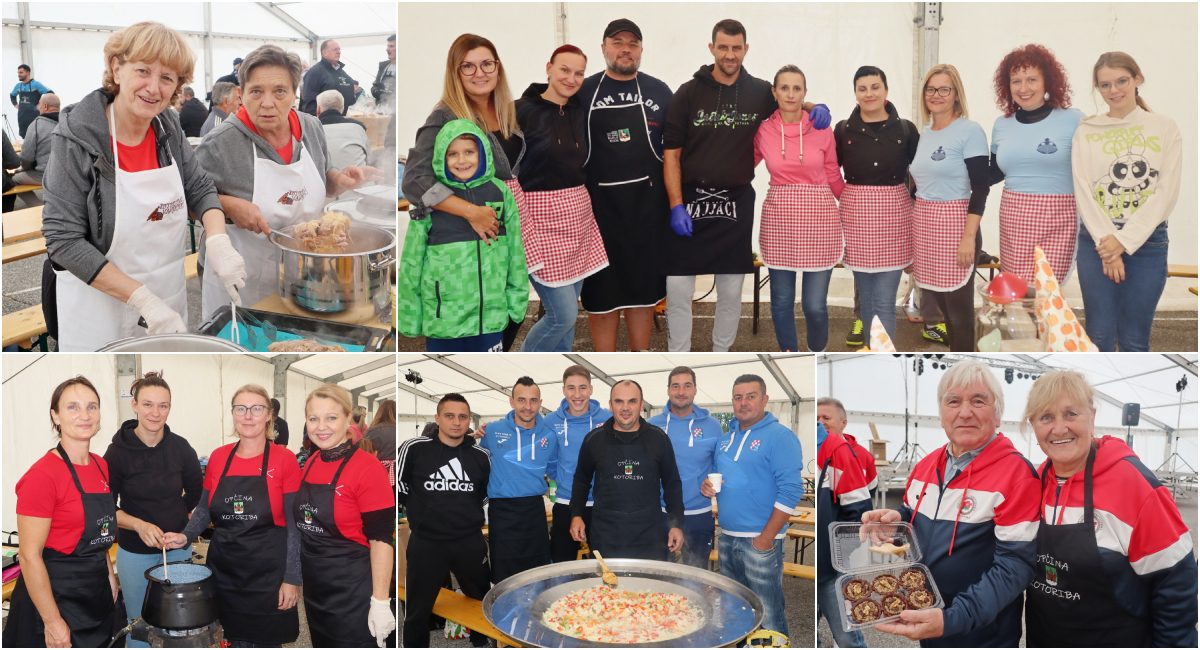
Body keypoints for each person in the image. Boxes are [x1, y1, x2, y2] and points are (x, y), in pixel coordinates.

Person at [41, 22, 246, 350]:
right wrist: (142, 298)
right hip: (99, 312)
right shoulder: (78, 137)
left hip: (167, 303)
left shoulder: (167, 125)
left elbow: (198, 186)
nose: (153, 88)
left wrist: (219, 237)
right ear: (116, 68)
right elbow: (63, 240)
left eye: (167, 78)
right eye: (143, 71)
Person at [663, 21, 831, 353]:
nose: (729, 54)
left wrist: (815, 107)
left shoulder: (759, 91)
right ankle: (678, 352)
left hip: (735, 201)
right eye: (723, 47)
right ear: (711, 48)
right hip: (691, 200)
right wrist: (675, 205)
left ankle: (720, 353)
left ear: (745, 49)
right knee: (678, 288)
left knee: (730, 291)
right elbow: (672, 156)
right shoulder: (687, 93)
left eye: (736, 48)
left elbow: (789, 99)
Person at [195, 44, 381, 320]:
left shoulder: (311, 128)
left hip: (305, 275)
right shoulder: (220, 144)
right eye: (256, 91)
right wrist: (229, 205)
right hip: (242, 277)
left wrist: (339, 179)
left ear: (296, 93)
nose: (267, 103)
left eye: (279, 91)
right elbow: (192, 197)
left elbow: (324, 176)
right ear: (241, 94)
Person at [866, 360, 1040, 647]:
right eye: (954, 401)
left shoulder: (1017, 474)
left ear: (997, 416)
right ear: (942, 414)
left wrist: (952, 618)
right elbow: (914, 518)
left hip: (982, 633)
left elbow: (1015, 566)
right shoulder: (925, 466)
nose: (965, 412)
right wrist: (894, 520)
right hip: (928, 617)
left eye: (979, 401)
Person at [1019, 370, 1196, 647]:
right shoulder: (1034, 482)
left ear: (1092, 416)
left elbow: (1175, 583)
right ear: (1033, 425)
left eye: (1071, 414)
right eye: (1046, 417)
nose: (1059, 428)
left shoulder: (1134, 483)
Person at [401, 33, 528, 351]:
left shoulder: (503, 110)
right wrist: (472, 212)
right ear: (454, 73)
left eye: (487, 64)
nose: (479, 72)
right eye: (467, 67)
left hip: (503, 237)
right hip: (472, 239)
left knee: (501, 332)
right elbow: (414, 180)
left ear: (498, 68)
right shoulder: (445, 116)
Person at [164, 384, 301, 647]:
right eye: (241, 409)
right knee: (227, 639)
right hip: (224, 572)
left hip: (268, 577)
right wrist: (186, 535)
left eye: (256, 408)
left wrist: (292, 578)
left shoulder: (284, 460)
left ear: (269, 415)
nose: (248, 416)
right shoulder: (218, 457)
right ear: (233, 414)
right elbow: (204, 510)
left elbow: (295, 527)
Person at [1071, 52, 1181, 352]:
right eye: (1104, 85)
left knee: (1135, 340)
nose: (1114, 90)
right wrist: (1109, 246)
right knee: (1099, 339)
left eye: (1121, 81)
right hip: (1098, 243)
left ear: (1137, 79)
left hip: (1148, 244)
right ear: (1097, 88)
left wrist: (1124, 241)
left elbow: (1166, 191)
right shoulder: (1086, 129)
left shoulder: (1164, 126)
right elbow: (1083, 189)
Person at [577, 19, 671, 351]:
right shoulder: (582, 91)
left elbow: (678, 151)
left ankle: (640, 355)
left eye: (632, 43)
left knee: (641, 295)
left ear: (641, 50)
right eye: (617, 42)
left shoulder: (660, 91)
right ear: (603, 48)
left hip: (647, 215)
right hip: (598, 217)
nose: (625, 48)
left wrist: (677, 206)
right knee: (602, 299)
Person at [3, 377, 117, 648]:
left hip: (94, 595)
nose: (84, 415)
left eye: (92, 407)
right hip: (54, 600)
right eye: (72, 408)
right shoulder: (43, 476)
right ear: (55, 416)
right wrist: (53, 623)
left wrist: (110, 576)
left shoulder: (101, 466)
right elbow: (29, 556)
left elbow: (99, 532)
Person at [514, 44, 609, 352]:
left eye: (579, 73)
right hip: (539, 221)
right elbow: (506, 168)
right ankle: (527, 365)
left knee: (567, 323)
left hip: (578, 219)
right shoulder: (519, 111)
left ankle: (557, 369)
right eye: (564, 70)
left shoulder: (580, 109)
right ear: (549, 68)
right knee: (562, 315)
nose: (571, 78)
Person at [103, 371, 203, 649]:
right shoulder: (116, 453)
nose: (155, 412)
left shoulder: (182, 448)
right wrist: (139, 525)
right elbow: (107, 509)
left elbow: (196, 492)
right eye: (147, 404)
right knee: (140, 625)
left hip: (176, 550)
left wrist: (178, 517)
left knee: (179, 625)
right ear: (134, 405)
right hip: (134, 553)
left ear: (170, 407)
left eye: (163, 405)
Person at [700, 374, 804, 639]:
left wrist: (766, 538)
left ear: (765, 400)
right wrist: (707, 487)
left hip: (760, 542)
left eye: (751, 396)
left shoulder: (780, 436)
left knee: (768, 613)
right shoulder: (725, 440)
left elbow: (792, 490)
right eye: (738, 397)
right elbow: (716, 477)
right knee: (735, 610)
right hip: (728, 538)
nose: (743, 403)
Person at [292, 384, 396, 647]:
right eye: (313, 418)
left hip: (355, 590)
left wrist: (380, 602)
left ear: (349, 419)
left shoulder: (368, 467)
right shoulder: (312, 461)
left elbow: (382, 539)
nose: (321, 426)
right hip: (316, 589)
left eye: (331, 417)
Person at [753, 64, 843, 352]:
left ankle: (817, 354)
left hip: (820, 220)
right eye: (784, 87)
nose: (790, 94)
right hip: (780, 220)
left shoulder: (822, 127)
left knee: (814, 306)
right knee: (780, 302)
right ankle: (789, 354)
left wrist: (852, 209)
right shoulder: (763, 130)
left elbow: (832, 172)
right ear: (774, 92)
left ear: (805, 93)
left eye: (797, 88)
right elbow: (741, 168)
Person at [834, 66, 920, 348]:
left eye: (875, 87)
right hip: (856, 219)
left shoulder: (906, 129)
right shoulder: (843, 129)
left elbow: (920, 177)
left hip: (894, 219)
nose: (869, 93)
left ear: (885, 90)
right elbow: (828, 170)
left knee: (884, 300)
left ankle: (883, 357)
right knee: (867, 300)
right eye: (862, 88)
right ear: (855, 93)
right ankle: (870, 353)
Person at [398, 394, 492, 649]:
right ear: (437, 418)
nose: (456, 422)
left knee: (482, 600)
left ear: (469, 420)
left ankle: (481, 641)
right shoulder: (414, 448)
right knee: (418, 610)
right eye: (449, 416)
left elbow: (483, 493)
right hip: (426, 544)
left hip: (469, 542)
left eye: (462, 417)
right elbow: (400, 487)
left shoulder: (481, 455)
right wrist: (426, 511)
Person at [987, 45, 1085, 286]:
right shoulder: (1002, 124)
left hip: (1059, 219)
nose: (1024, 88)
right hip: (1014, 218)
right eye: (1016, 81)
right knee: (1018, 294)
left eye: (1032, 79)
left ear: (1047, 82)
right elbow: (992, 173)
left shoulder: (1074, 120)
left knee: (1048, 292)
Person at [908, 64, 991, 352]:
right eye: (931, 89)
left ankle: (965, 363)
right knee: (944, 309)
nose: (936, 95)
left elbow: (981, 187)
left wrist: (969, 237)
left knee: (960, 314)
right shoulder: (926, 132)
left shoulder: (969, 131)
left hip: (957, 226)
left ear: (956, 94)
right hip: (927, 226)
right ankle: (956, 359)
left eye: (945, 89)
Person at [570, 380, 684, 560]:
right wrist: (576, 514)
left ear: (641, 405)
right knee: (605, 588)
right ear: (610, 405)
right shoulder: (594, 439)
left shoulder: (659, 438)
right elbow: (581, 481)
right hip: (605, 534)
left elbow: (672, 484)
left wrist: (676, 524)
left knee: (649, 587)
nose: (625, 407)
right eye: (618, 401)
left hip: (649, 534)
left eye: (632, 401)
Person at [475, 377, 558, 583]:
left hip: (534, 511)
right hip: (501, 511)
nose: (527, 407)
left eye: (533, 401)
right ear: (512, 402)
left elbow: (556, 471)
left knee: (538, 574)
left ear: (540, 402)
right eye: (522, 400)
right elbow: (477, 463)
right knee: (504, 577)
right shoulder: (491, 431)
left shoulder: (550, 436)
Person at [646, 366, 723, 568]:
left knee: (696, 576)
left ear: (695, 390)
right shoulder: (651, 425)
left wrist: (713, 482)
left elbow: (720, 466)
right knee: (660, 576)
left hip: (699, 514)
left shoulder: (713, 425)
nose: (681, 392)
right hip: (660, 513)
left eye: (687, 386)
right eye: (676, 386)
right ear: (668, 390)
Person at [814, 403, 872, 649]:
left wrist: (839, 554)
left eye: (826, 417)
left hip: (831, 565)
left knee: (846, 634)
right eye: (817, 417)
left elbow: (860, 507)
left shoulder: (838, 449)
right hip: (817, 562)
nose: (821, 421)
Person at [542, 364, 612, 562]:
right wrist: (563, 480)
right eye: (571, 388)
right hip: (566, 502)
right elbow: (549, 458)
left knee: (604, 563)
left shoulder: (608, 419)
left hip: (601, 504)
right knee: (562, 562)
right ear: (563, 390)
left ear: (591, 389)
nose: (577, 394)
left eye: (582, 387)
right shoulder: (550, 421)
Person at [816, 396, 877, 499]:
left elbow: (870, 489)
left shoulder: (862, 454)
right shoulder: (816, 449)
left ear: (843, 423)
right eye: (817, 419)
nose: (820, 423)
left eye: (826, 418)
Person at [316, 89, 371, 178]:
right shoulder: (358, 128)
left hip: (326, 189)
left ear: (318, 109)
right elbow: (369, 159)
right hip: (361, 187)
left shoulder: (310, 130)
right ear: (343, 110)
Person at [14, 93, 59, 191]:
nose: (38, 107)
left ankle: (36, 205)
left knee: (12, 181)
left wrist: (24, 168)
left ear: (45, 106)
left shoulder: (36, 125)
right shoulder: (67, 123)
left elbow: (26, 156)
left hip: (43, 175)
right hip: (66, 174)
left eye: (39, 104)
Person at [301, 40, 357, 116]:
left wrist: (354, 85)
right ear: (324, 53)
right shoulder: (315, 72)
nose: (338, 52)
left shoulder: (339, 70)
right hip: (323, 122)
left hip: (341, 119)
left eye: (339, 49)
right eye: (335, 49)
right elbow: (309, 103)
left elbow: (351, 84)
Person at [10, 64, 52, 137]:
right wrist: (15, 104)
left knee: (37, 136)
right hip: (22, 117)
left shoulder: (36, 84)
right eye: (18, 73)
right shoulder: (18, 86)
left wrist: (41, 104)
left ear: (28, 73)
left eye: (21, 72)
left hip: (34, 116)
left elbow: (50, 93)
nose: (19, 75)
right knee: (24, 137)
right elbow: (12, 95)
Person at [363, 399, 397, 464]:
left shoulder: (372, 431)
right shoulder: (399, 430)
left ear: (379, 412)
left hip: (376, 469)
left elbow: (363, 452)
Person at [371, 34, 396, 109]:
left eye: (391, 46)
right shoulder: (384, 66)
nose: (387, 49)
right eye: (387, 46)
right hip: (381, 109)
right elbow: (375, 84)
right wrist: (375, 91)